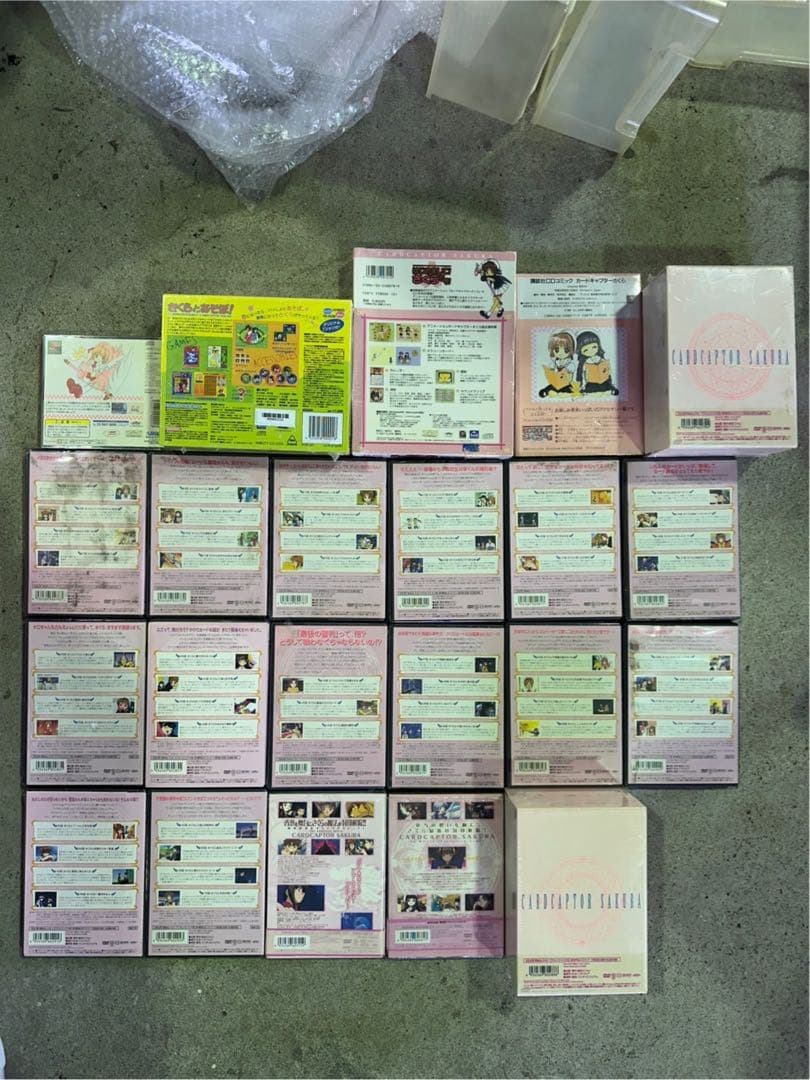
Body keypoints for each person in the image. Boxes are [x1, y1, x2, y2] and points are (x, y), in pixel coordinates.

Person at [539, 331, 577, 397]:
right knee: (550, 388)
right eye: (557, 350)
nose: (561, 353)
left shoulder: (570, 364)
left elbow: (569, 377)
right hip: (556, 383)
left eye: (566, 350)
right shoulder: (555, 362)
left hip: (565, 384)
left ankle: (560, 394)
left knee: (568, 390)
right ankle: (547, 392)